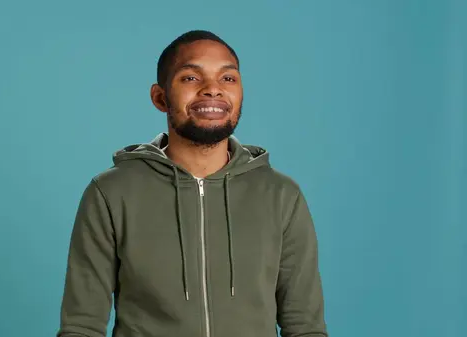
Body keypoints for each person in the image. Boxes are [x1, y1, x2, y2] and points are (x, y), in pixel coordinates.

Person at [56, 30, 328, 337]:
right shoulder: (110, 193)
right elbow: (81, 327)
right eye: (190, 78)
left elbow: (305, 327)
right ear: (160, 98)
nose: (213, 90)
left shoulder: (281, 195)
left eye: (228, 78)